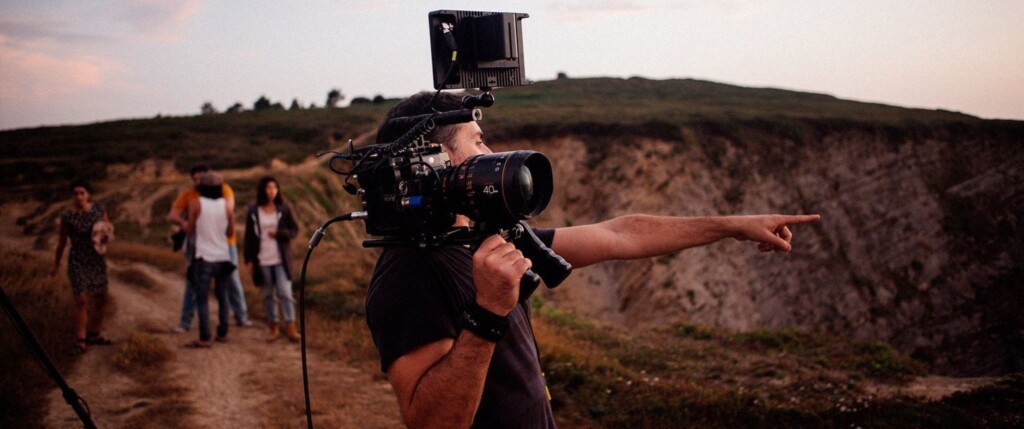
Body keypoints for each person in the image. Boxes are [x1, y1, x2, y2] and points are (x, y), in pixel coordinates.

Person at [364, 92, 823, 428]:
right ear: (439, 159)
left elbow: (618, 234)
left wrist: (733, 225)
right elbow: (432, 422)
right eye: (479, 141)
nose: (491, 153)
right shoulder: (408, 272)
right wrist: (487, 314)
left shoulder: (476, 237)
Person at [167, 165, 251, 332]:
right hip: (215, 248)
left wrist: (191, 223)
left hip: (215, 247)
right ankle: (198, 324)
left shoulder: (197, 202)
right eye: (196, 179)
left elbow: (190, 227)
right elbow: (230, 225)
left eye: (201, 179)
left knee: (212, 289)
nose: (199, 182)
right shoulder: (192, 196)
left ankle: (236, 319)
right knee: (208, 288)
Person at [51, 179, 114, 354]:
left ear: (88, 194)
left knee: (101, 297)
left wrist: (105, 238)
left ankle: (94, 334)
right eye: (75, 193)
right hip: (77, 260)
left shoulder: (99, 210)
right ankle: (80, 341)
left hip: (96, 259)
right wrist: (56, 265)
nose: (78, 196)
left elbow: (107, 231)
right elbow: (62, 242)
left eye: (82, 193)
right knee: (81, 300)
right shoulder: (67, 216)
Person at [243, 176, 301, 342]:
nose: (272, 191)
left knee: (285, 292)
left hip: (281, 259)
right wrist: (249, 259)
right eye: (268, 188)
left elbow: (294, 230)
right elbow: (248, 237)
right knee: (268, 294)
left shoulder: (284, 208)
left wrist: (280, 234)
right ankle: (273, 327)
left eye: (274, 188)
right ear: (262, 190)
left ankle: (291, 327)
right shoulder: (254, 210)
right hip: (262, 258)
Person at [183, 172, 235, 348]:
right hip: (223, 256)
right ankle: (223, 333)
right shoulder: (227, 205)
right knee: (222, 297)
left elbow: (189, 230)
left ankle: (205, 337)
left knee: (202, 299)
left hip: (203, 257)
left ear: (200, 188)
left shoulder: (195, 204)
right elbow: (230, 232)